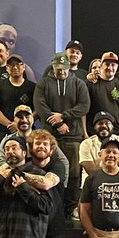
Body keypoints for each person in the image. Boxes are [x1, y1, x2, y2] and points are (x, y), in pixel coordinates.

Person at [35, 52, 91, 219]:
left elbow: (84, 106)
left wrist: (64, 116)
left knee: (74, 174)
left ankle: (70, 207)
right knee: (48, 171)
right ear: (53, 67)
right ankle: (50, 207)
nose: (62, 72)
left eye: (64, 69)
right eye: (58, 69)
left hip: (73, 136)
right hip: (49, 136)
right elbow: (40, 106)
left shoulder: (79, 84)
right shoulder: (44, 84)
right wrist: (58, 123)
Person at [0, 52, 34, 158]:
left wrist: (23, 123)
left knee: (29, 159)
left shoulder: (33, 87)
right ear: (7, 68)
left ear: (24, 67)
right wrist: (10, 124)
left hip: (28, 132)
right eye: (11, 65)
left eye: (18, 64)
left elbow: (38, 108)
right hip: (3, 131)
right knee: (5, 160)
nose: (15, 67)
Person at [78, 111, 119, 188]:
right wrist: (114, 167)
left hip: (117, 184)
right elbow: (91, 170)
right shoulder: (86, 143)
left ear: (113, 126)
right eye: (100, 123)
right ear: (94, 127)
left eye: (107, 123)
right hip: (92, 185)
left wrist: (107, 166)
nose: (103, 126)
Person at [88, 51, 119, 140]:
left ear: (117, 67)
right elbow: (83, 112)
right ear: (101, 65)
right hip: (93, 134)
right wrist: (85, 133)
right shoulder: (90, 84)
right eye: (107, 64)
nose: (110, 68)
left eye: (113, 65)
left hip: (116, 134)